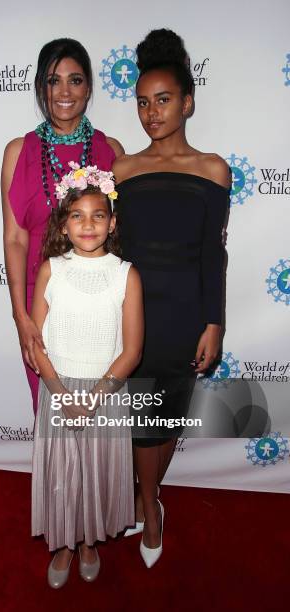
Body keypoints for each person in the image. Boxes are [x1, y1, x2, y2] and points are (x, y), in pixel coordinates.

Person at [113, 28, 231, 568]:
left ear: (187, 102)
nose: (151, 113)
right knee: (142, 417)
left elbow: (213, 254)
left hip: (187, 314)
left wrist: (215, 323)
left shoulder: (212, 170)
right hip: (136, 316)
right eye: (141, 102)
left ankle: (146, 492)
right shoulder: (123, 171)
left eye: (162, 100)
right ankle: (152, 509)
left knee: (168, 418)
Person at [30, 163, 143, 588]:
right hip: (58, 391)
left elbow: (131, 351)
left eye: (98, 215)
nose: (88, 224)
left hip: (106, 394)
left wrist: (92, 399)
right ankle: (63, 542)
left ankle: (89, 541)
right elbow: (37, 345)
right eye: (77, 215)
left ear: (112, 222)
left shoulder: (125, 274)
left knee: (95, 475)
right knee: (64, 475)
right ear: (64, 224)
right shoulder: (51, 270)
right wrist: (61, 395)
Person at [1, 38, 124, 413]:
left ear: (88, 88)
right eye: (54, 81)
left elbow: (119, 237)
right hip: (41, 306)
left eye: (76, 80)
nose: (65, 92)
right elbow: (15, 239)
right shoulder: (18, 152)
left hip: (99, 305)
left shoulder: (112, 151)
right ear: (42, 86)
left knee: (98, 418)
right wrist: (21, 317)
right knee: (52, 417)